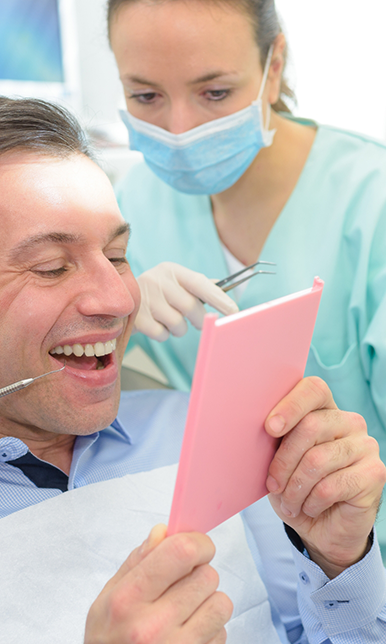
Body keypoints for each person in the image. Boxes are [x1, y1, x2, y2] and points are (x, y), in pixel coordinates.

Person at [0, 94, 385, 643]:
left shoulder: (195, 431)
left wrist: (338, 562)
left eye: (117, 256)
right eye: (51, 267)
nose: (117, 299)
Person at [106, 0, 386, 553]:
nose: (180, 129)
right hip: (244, 563)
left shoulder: (369, 204)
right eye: (146, 96)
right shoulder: (131, 205)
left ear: (273, 65)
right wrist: (122, 317)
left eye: (214, 93)